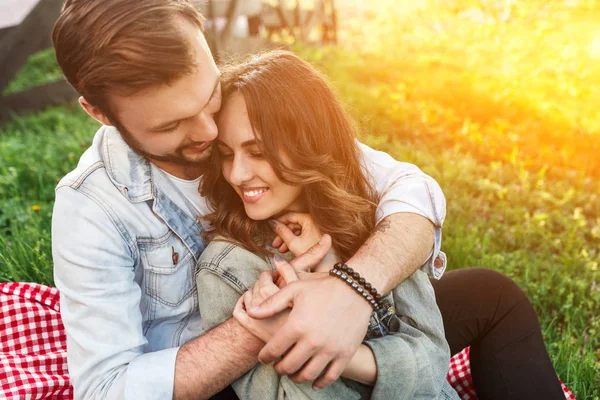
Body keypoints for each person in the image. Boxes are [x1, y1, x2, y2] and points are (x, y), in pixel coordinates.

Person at [50, 1, 565, 399]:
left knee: (491, 295)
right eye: (170, 125)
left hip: (344, 318)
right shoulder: (91, 209)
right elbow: (107, 388)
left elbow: (409, 191)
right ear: (99, 112)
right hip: (219, 380)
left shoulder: (245, 107)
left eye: (207, 94)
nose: (207, 132)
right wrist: (271, 326)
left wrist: (350, 291)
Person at [195, 50, 460, 400]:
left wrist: (336, 279)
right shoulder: (227, 267)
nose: (237, 174)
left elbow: (434, 365)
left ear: (309, 144)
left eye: (258, 152)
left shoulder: (376, 226)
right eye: (227, 154)